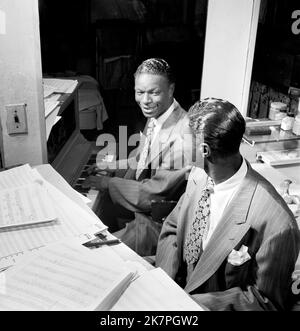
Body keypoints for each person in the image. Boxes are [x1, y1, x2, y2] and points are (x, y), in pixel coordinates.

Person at [155, 97, 300, 311]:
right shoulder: (198, 176)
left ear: (204, 151)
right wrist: (165, 285)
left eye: (183, 140)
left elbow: (265, 301)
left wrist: (186, 306)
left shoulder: (278, 224)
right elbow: (172, 229)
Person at [83, 58, 192, 256]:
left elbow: (154, 194)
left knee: (95, 253)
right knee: (86, 230)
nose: (145, 101)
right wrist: (114, 166)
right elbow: (142, 157)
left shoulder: (184, 138)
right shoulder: (159, 115)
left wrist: (108, 182)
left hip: (158, 226)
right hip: (142, 212)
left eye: (154, 92)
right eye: (140, 92)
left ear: (171, 90)